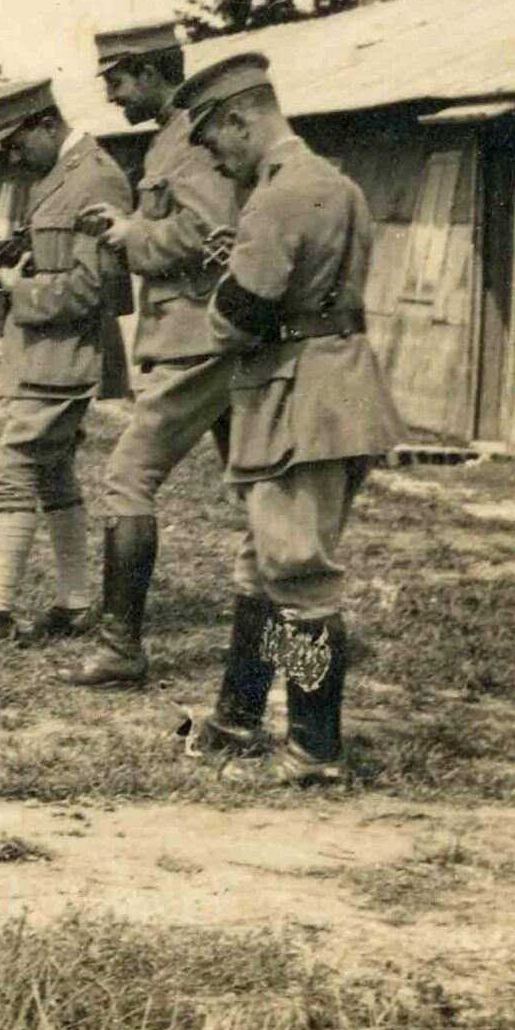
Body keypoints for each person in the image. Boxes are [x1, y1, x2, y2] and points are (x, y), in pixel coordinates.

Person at [174, 53, 403, 783]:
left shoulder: (275, 198)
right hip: (338, 393)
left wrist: (217, 295)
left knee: (298, 575)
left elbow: (240, 318)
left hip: (296, 401)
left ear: (241, 120)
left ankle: (313, 749)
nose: (214, 155)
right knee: (264, 564)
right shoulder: (336, 184)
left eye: (213, 139)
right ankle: (238, 718)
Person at [58, 21, 249, 689]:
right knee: (255, 491)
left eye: (116, 80)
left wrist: (134, 234)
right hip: (204, 332)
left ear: (147, 71)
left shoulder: (191, 139)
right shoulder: (172, 137)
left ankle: (121, 648)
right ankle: (280, 632)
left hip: (198, 336)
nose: (112, 96)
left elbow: (209, 230)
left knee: (127, 478)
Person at [0, 78, 133, 649]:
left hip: (70, 352)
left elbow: (90, 291)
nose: (11, 157)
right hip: (43, 353)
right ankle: (76, 604)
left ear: (45, 123)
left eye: (15, 143)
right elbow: (52, 255)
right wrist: (13, 255)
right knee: (52, 471)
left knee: (17, 466)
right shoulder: (55, 175)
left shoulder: (97, 177)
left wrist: (17, 286)